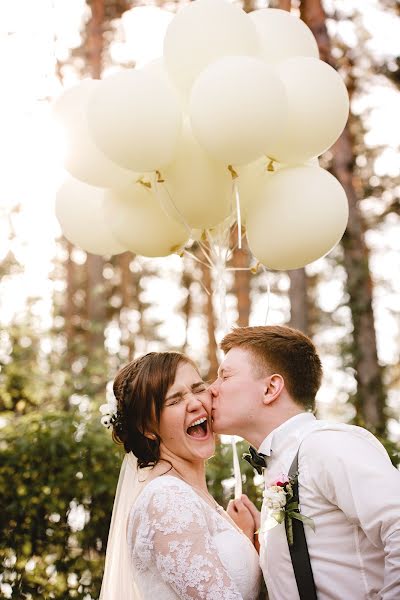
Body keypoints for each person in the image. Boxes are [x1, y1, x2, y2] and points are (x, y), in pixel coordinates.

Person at [210, 325, 400, 600]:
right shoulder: (280, 465)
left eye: (224, 376)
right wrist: (259, 541)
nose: (211, 390)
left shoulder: (328, 445)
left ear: (271, 388)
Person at [99, 351, 261, 600]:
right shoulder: (166, 499)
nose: (196, 403)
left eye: (198, 389)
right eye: (174, 400)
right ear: (148, 428)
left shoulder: (192, 496)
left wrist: (247, 539)